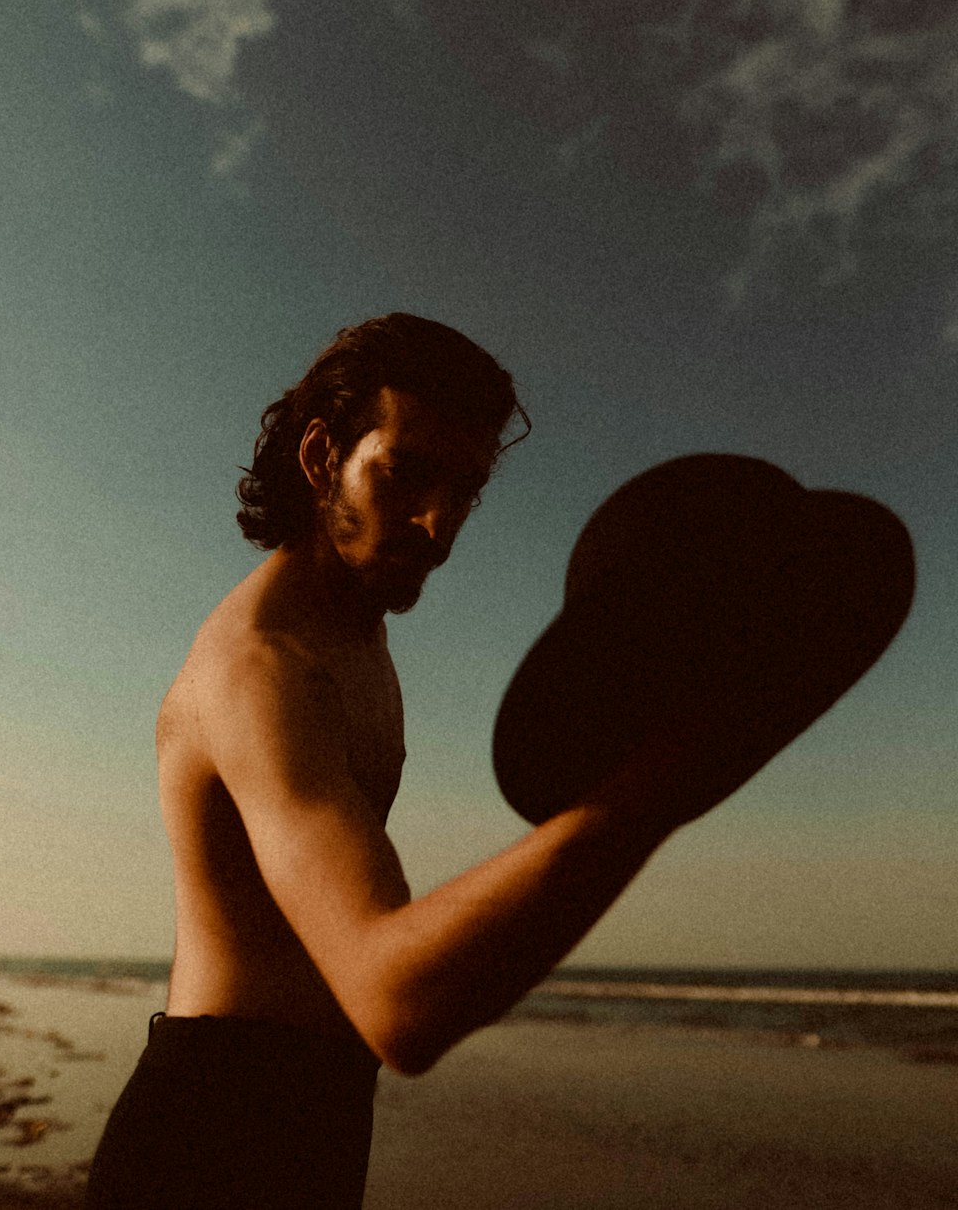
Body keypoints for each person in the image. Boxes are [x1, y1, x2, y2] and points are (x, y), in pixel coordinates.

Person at [83, 313, 787, 1208]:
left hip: (311, 1114)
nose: (438, 523)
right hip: (210, 1134)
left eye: (466, 488)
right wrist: (664, 781)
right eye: (405, 473)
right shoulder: (262, 668)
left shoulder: (356, 630)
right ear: (318, 457)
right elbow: (394, 1003)